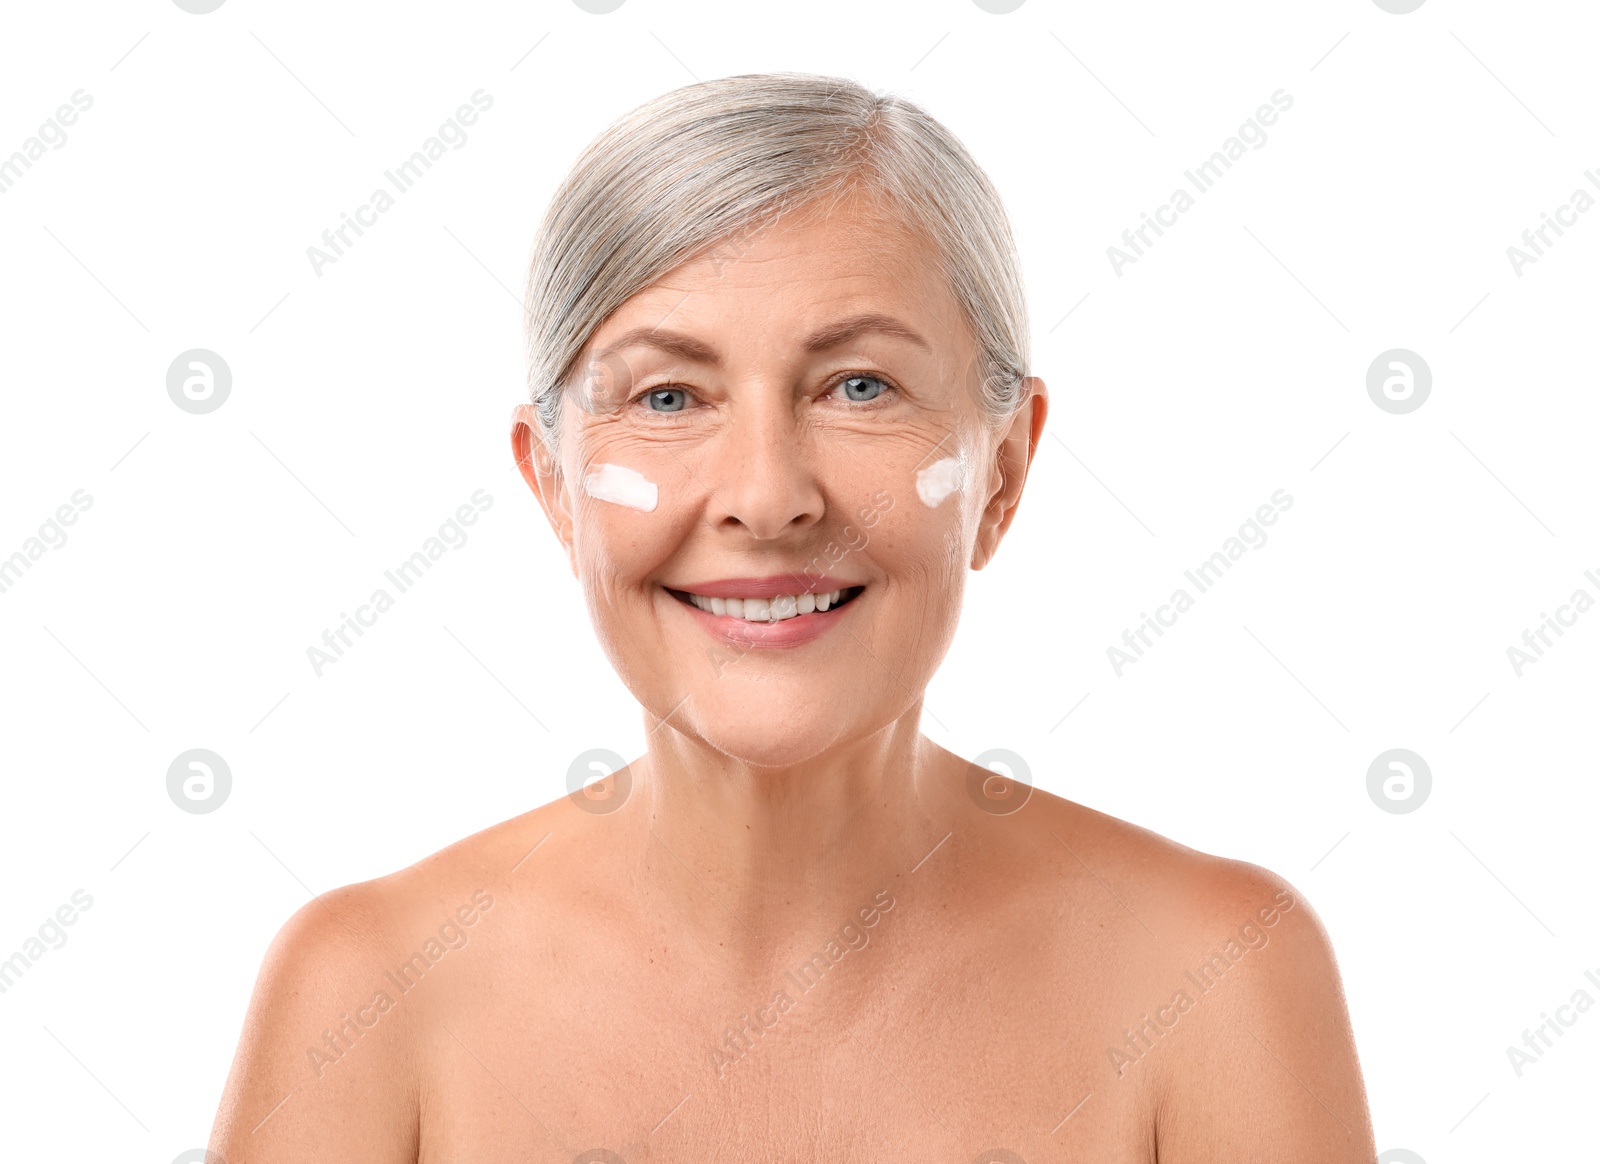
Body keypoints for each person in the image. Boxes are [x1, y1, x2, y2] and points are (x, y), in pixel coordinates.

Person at [211, 72, 1375, 1162]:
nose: (766, 498)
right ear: (554, 486)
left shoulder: (1216, 977)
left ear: (1003, 472)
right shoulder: (366, 998)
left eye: (858, 387)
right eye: (668, 397)